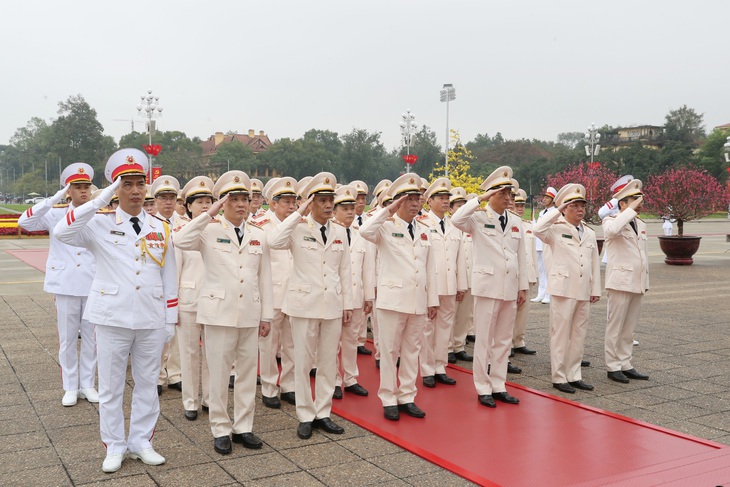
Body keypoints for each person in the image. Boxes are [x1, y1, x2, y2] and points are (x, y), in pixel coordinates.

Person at [54, 148, 178, 473]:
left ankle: (141, 442)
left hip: (151, 318)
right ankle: (114, 445)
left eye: (140, 183)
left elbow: (169, 276)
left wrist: (170, 319)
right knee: (110, 388)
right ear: (115, 188)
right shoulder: (99, 223)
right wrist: (98, 200)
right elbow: (62, 231)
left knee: (148, 384)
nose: (136, 190)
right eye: (127, 184)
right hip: (111, 317)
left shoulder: (161, 227)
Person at [174, 170, 273, 455]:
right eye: (234, 199)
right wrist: (208, 214)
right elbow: (179, 240)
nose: (241, 204)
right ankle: (220, 428)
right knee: (218, 375)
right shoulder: (209, 230)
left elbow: (264, 277)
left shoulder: (259, 234)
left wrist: (266, 315)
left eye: (246, 198)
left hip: (250, 313)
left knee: (245, 373)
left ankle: (244, 426)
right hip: (218, 312)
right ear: (223, 202)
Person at [268, 172, 353, 440]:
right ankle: (305, 414)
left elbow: (346, 271)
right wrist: (298, 213)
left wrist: (348, 303)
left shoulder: (340, 231)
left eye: (331, 200)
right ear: (310, 203)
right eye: (322, 200)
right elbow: (273, 241)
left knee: (328, 362)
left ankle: (324, 412)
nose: (329, 205)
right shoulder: (297, 228)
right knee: (303, 362)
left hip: (332, 304)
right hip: (304, 304)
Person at [18, 163, 98, 407]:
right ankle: (70, 386)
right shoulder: (55, 214)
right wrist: (53, 200)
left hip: (93, 281)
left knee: (92, 339)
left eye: (86, 187)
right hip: (65, 283)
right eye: (77, 187)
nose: (83, 191)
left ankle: (88, 384)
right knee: (67, 339)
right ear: (68, 191)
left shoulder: (99, 213)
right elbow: (25, 222)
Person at [360, 173, 439, 421]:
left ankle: (407, 396)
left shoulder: (425, 230)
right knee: (390, 351)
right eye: (410, 199)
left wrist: (432, 300)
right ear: (398, 202)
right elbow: (364, 230)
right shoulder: (384, 226)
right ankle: (388, 397)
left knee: (412, 350)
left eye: (418, 198)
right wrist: (389, 210)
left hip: (417, 300)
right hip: (392, 300)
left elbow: (430, 268)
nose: (416, 203)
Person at [451, 166, 528, 408]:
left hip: (509, 286)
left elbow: (521, 256)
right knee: (484, 339)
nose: (509, 198)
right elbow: (456, 219)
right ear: (491, 194)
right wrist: (479, 199)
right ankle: (482, 386)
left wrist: (522, 286)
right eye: (503, 193)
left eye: (510, 194)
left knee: (503, 339)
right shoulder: (478, 218)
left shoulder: (516, 221)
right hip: (487, 286)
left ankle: (499, 384)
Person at [533, 184, 601, 394]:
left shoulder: (588, 232)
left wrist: (595, 288)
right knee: (560, 333)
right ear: (565, 208)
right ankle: (559, 376)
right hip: (563, 288)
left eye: (582, 206)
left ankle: (574, 374)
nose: (580, 210)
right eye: (575, 206)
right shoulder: (555, 229)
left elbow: (594, 262)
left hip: (582, 289)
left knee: (579, 334)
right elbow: (537, 229)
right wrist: (558, 208)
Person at [418, 178, 467, 386]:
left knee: (445, 328)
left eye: (447, 198)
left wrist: (461, 284)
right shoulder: (422, 223)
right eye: (440, 198)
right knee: (427, 328)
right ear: (429, 201)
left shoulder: (454, 225)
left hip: (449, 285)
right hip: (431, 286)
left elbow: (460, 258)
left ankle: (440, 366)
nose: (446, 201)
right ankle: (427, 369)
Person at [254, 177, 298, 408]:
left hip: (295, 294)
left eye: (294, 202)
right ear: (272, 204)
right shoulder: (261, 225)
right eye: (286, 202)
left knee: (292, 345)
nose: (291, 207)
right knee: (269, 346)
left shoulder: (299, 224)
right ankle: (269, 387)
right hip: (272, 295)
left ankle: (289, 385)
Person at [174, 176, 215, 420]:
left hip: (213, 300)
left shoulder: (217, 230)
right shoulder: (180, 232)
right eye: (199, 202)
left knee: (213, 353)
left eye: (208, 201)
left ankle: (210, 398)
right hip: (188, 301)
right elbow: (175, 271)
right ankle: (190, 401)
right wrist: (172, 305)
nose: (204, 205)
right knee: (188, 354)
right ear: (188, 206)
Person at [603, 179, 650, 384]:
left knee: (629, 327)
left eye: (639, 200)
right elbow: (612, 230)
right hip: (620, 281)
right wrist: (629, 209)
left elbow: (642, 253)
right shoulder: (611, 220)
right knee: (616, 326)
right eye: (634, 199)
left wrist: (645, 279)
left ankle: (625, 363)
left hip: (636, 281)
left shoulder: (640, 223)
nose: (639, 204)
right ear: (622, 203)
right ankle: (612, 366)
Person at [332, 184, 374, 399]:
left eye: (352, 207)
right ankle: (333, 381)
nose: (350, 211)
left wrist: (369, 296)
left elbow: (367, 269)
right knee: (331, 343)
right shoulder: (328, 233)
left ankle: (350, 378)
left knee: (350, 341)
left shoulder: (361, 235)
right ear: (334, 210)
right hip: (334, 298)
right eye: (344, 207)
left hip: (356, 297)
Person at [152, 176, 183, 396]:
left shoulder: (185, 224)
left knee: (179, 336)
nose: (168, 202)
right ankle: (157, 376)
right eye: (163, 198)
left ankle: (176, 374)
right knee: (158, 335)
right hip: (158, 287)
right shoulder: (148, 224)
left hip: (182, 284)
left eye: (172, 198)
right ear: (155, 200)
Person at [448, 187, 474, 363]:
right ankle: (448, 347)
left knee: (464, 315)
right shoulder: (447, 227)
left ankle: (459, 345)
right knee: (450, 315)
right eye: (457, 206)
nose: (460, 209)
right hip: (452, 279)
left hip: (470, 277)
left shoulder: (471, 225)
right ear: (450, 209)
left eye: (463, 205)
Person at [511, 188, 538, 357]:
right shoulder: (509, 224)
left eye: (522, 205)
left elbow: (532, 252)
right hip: (513, 274)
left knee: (523, 310)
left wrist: (534, 272)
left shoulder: (528, 225)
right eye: (517, 204)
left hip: (527, 273)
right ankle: (507, 343)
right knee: (510, 311)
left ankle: (519, 340)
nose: (520, 208)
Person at [532, 186, 556, 304]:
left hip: (547, 244)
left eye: (548, 197)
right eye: (544, 197)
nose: (545, 199)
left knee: (548, 270)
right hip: (539, 243)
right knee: (541, 270)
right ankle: (541, 293)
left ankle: (549, 293)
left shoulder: (555, 213)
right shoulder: (542, 212)